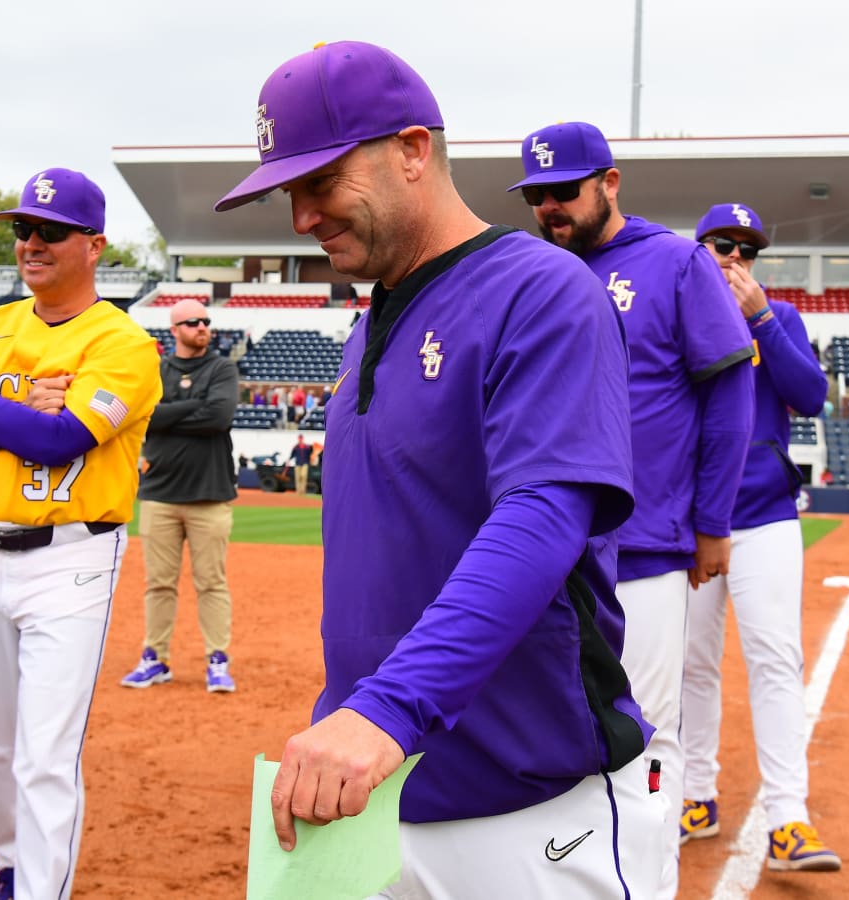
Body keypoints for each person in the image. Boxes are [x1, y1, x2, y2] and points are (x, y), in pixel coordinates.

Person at [215, 41, 660, 897]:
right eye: (289, 192)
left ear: (413, 150)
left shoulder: (543, 289)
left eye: (323, 182)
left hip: (526, 811)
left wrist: (388, 707)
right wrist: (358, 712)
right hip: (373, 799)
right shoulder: (371, 321)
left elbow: (541, 516)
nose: (302, 217)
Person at [509, 124, 755, 898]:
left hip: (643, 546)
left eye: (566, 191)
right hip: (546, 551)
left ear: (610, 183)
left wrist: (713, 521)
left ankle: (649, 884)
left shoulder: (675, 261)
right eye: (538, 195)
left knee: (646, 737)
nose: (551, 206)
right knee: (558, 730)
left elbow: (730, 390)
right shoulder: (533, 270)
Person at [0, 167, 161, 900]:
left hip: (71, 557)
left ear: (94, 245)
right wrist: (16, 403)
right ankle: (15, 863)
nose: (31, 243)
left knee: (44, 754)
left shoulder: (123, 343)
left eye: (51, 231)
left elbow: (62, 443)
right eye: (23, 229)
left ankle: (37, 891)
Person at [680, 203, 841, 872]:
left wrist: (763, 320)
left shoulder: (780, 317)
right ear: (699, 249)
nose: (737, 259)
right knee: (689, 664)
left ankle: (789, 819)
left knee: (776, 659)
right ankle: (695, 796)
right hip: (691, 519)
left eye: (748, 250)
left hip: (765, 513)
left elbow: (810, 395)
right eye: (724, 245)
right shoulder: (675, 310)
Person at [119, 298, 239, 693]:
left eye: (205, 321)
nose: (201, 326)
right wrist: (188, 411)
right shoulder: (156, 369)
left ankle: (217, 660)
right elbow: (144, 415)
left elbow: (220, 416)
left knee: (211, 582)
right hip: (160, 495)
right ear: (174, 330)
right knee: (159, 583)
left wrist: (168, 414)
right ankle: (155, 658)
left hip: (210, 494)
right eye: (192, 322)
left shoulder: (222, 367)